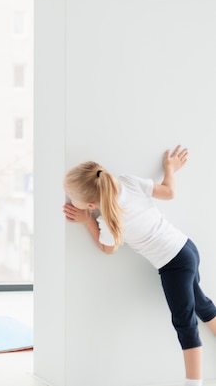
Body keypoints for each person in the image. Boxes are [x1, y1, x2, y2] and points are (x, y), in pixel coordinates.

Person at [62, 145, 216, 386]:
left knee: (185, 324)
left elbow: (107, 249)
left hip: (173, 265)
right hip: (187, 248)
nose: (71, 201)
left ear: (91, 205)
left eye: (74, 199)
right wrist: (169, 169)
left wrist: (86, 222)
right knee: (201, 303)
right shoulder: (128, 182)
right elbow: (168, 192)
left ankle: (194, 383)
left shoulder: (108, 222)